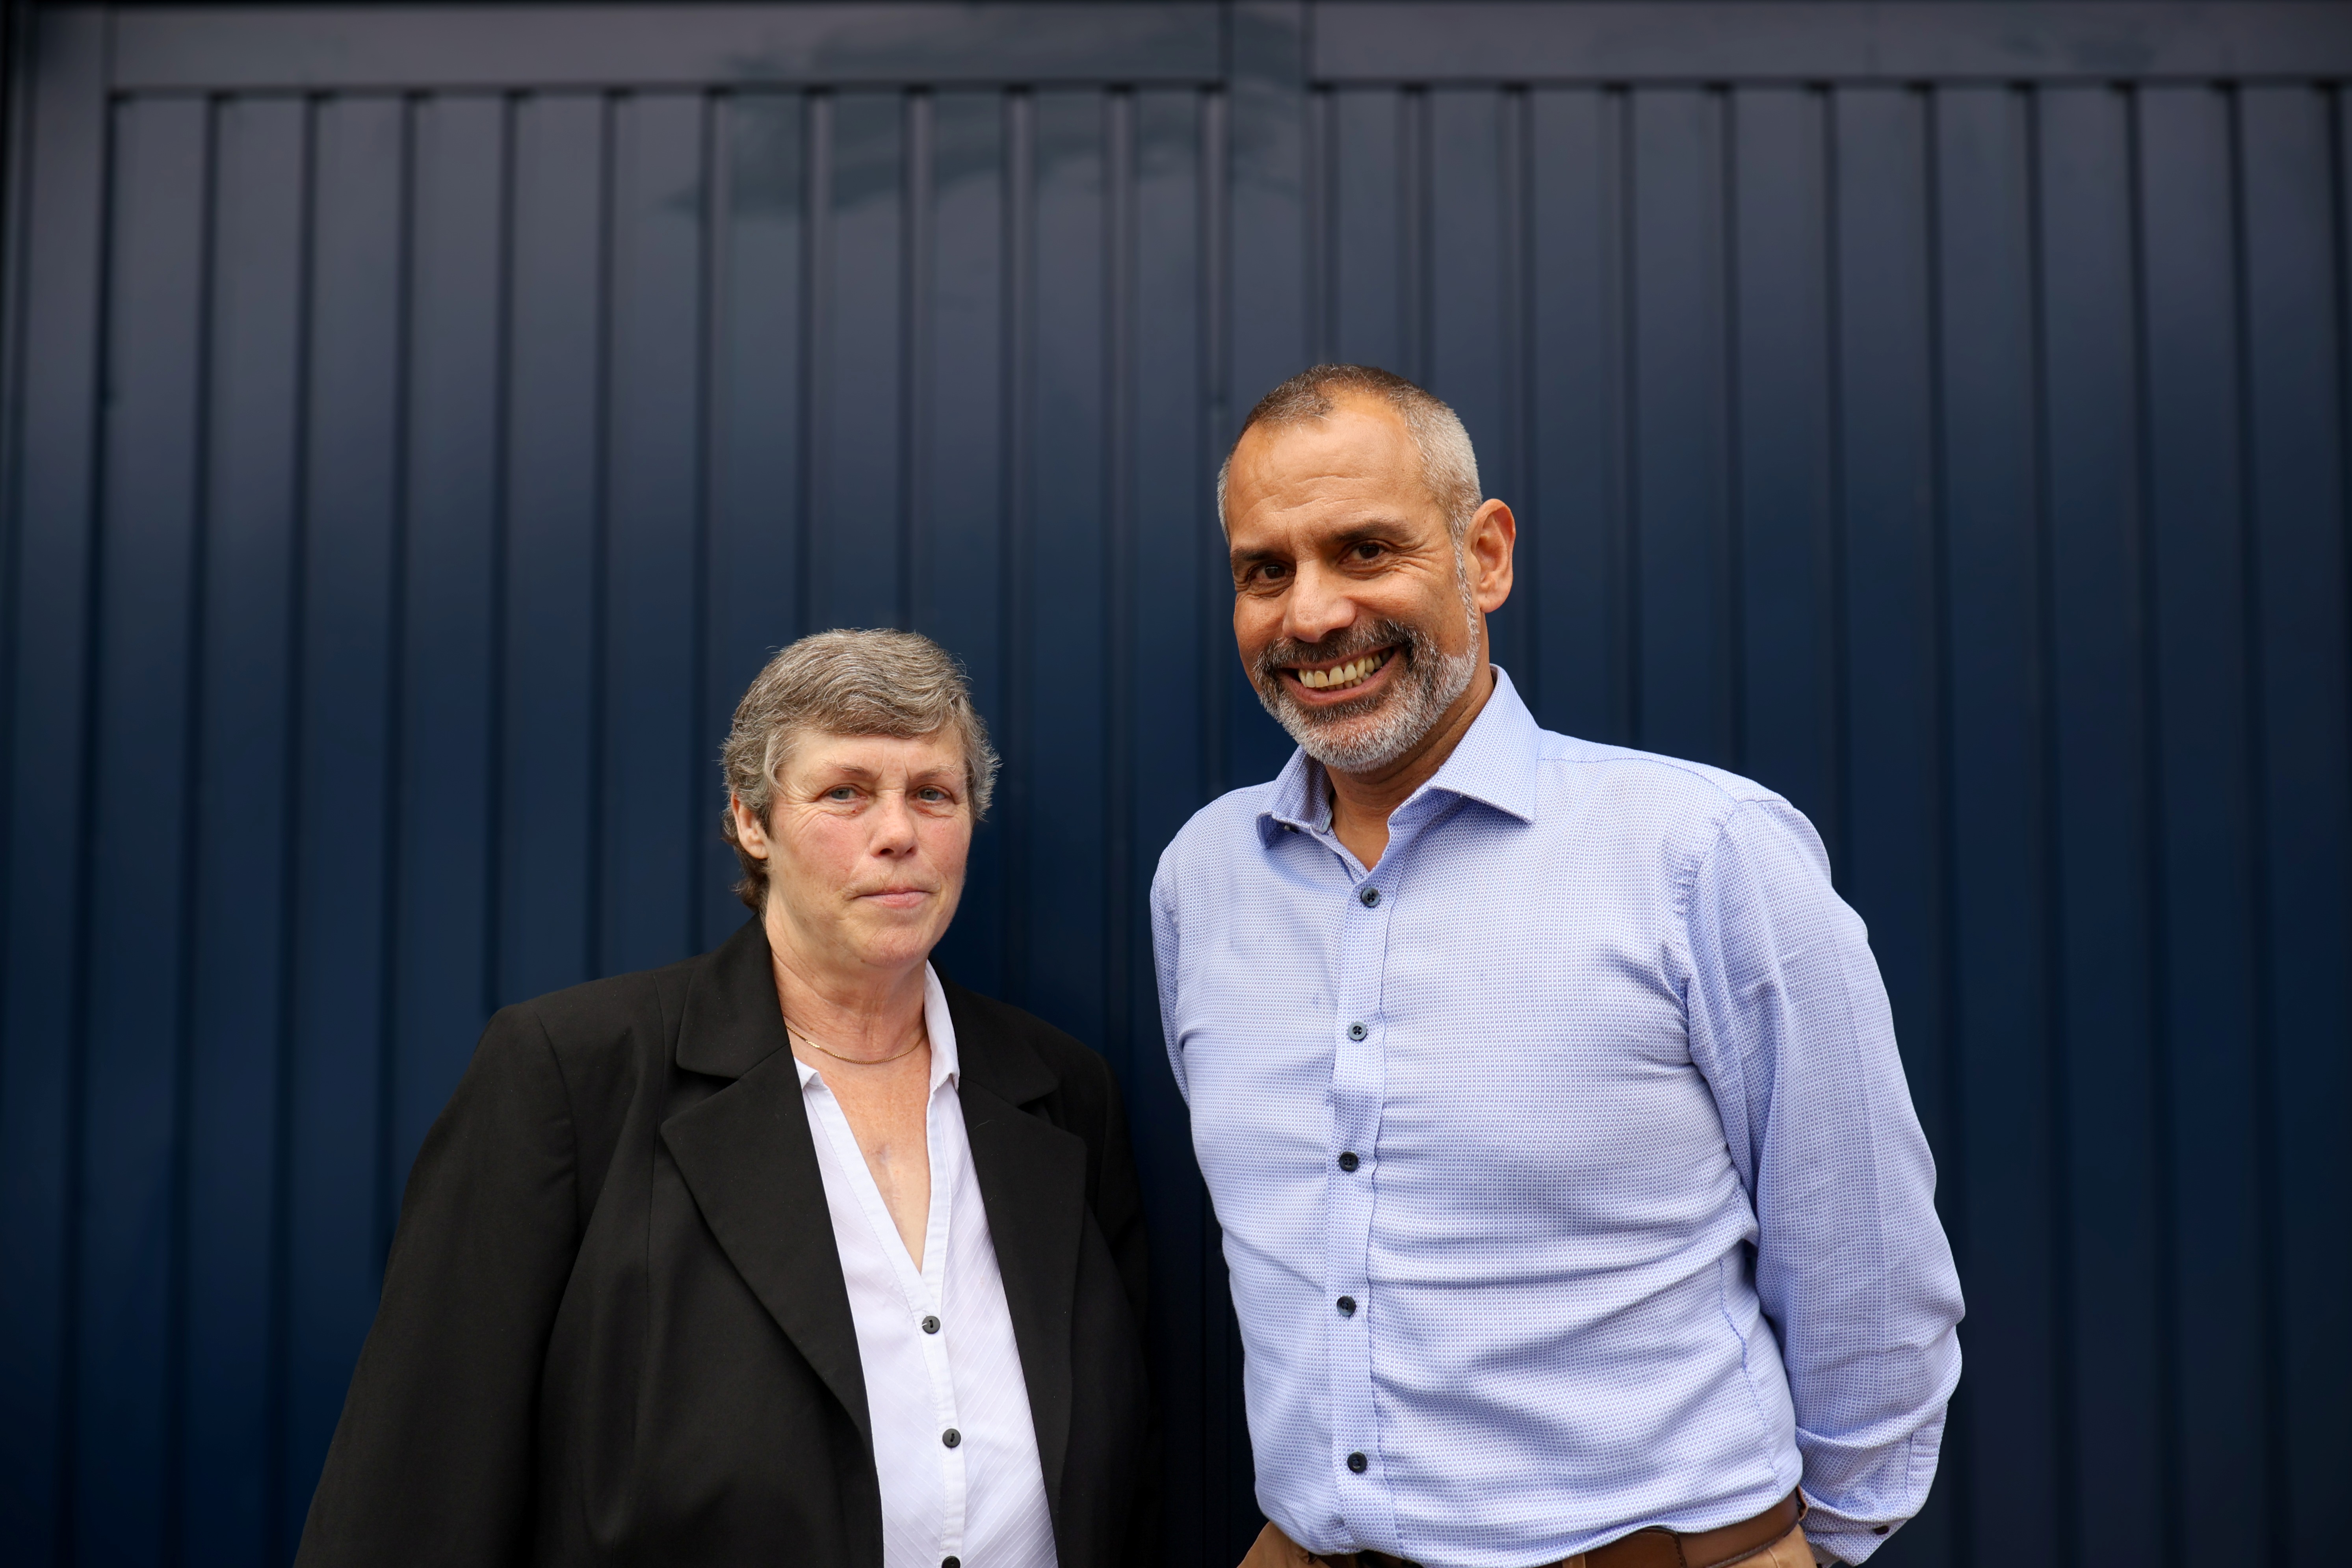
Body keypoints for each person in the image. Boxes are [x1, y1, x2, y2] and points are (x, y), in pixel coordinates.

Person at [1151, 365, 1963, 1568]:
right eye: (1264, 570)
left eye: (1366, 550)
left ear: (1485, 555)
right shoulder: (1205, 876)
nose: (1311, 615)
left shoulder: (1703, 853)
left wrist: (1785, 1548)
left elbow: (1871, 1277)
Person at [298, 629, 1154, 1568]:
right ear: (753, 820)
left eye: (933, 794)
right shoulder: (572, 1073)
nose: (899, 831)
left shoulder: (1063, 1096)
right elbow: (417, 1485)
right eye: (845, 792)